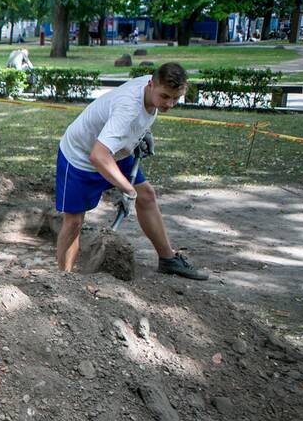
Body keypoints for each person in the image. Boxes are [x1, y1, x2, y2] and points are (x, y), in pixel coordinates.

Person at [54, 63, 207, 280]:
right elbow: (98, 156)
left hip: (116, 151)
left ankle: (168, 259)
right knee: (74, 221)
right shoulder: (128, 107)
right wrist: (127, 190)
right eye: (165, 97)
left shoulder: (152, 87)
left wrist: (142, 133)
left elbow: (124, 130)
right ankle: (63, 279)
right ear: (151, 84)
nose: (169, 104)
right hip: (80, 157)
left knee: (147, 195)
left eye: (175, 99)